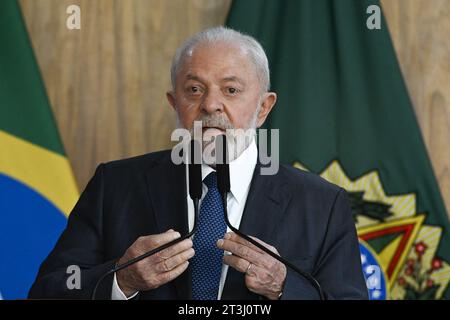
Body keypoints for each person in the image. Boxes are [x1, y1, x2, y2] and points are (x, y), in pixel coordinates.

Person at [29, 27, 368, 300]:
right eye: (194, 89)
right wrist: (123, 279)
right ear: (174, 102)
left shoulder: (322, 203)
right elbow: (49, 291)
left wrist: (283, 287)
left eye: (231, 90)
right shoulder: (114, 185)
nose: (211, 106)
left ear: (263, 108)